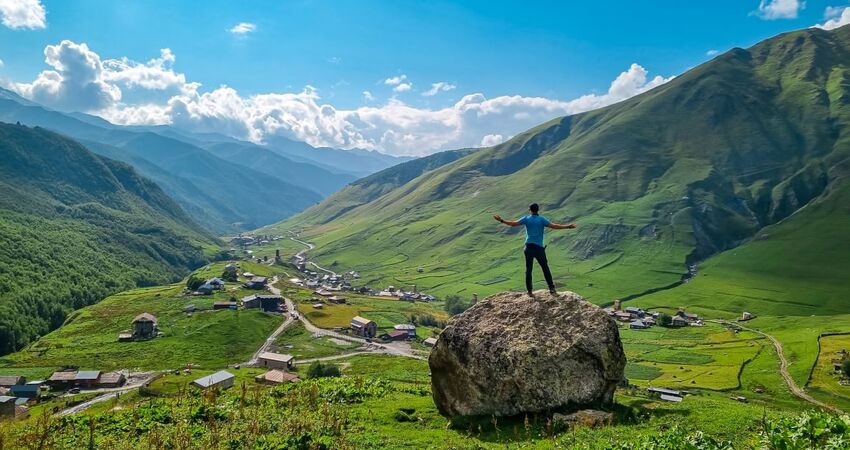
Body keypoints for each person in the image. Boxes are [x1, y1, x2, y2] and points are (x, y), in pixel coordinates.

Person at [493, 203, 576, 296]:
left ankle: (529, 291)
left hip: (528, 247)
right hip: (538, 248)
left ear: (530, 210)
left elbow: (513, 224)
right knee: (545, 267)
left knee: (529, 269)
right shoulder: (541, 219)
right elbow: (554, 226)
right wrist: (568, 226)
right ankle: (552, 288)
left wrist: (501, 220)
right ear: (538, 210)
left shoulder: (526, 219)